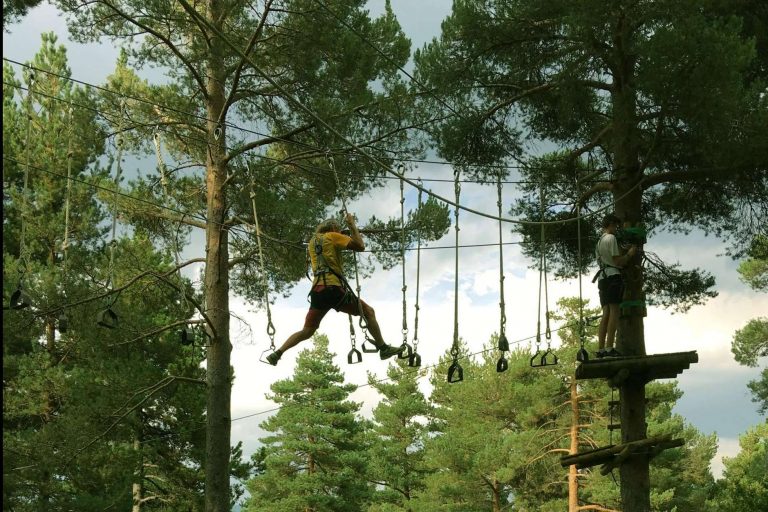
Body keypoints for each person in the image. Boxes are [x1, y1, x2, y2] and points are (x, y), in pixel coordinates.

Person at [266, 212, 401, 365]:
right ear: (333, 228)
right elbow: (360, 246)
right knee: (368, 312)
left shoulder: (312, 242)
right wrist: (352, 225)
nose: (340, 232)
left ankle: (278, 353)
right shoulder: (332, 236)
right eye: (339, 229)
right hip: (333, 289)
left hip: (318, 292)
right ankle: (383, 348)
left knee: (307, 331)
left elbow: (328, 251)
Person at [594, 213, 637, 358]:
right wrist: (629, 254)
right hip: (613, 276)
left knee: (605, 313)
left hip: (602, 277)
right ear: (611, 224)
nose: (616, 229)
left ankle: (601, 349)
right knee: (614, 312)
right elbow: (618, 261)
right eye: (616, 226)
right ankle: (609, 348)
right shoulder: (611, 238)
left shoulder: (599, 242)